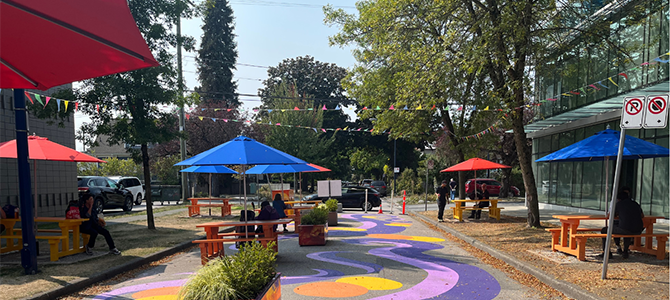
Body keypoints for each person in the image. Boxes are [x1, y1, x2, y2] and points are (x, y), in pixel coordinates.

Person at [598, 192, 644, 259]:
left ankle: (607, 252)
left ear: (618, 199)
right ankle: (625, 251)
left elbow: (610, 216)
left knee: (604, 230)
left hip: (626, 229)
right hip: (638, 230)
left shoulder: (619, 204)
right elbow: (642, 216)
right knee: (627, 228)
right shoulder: (635, 204)